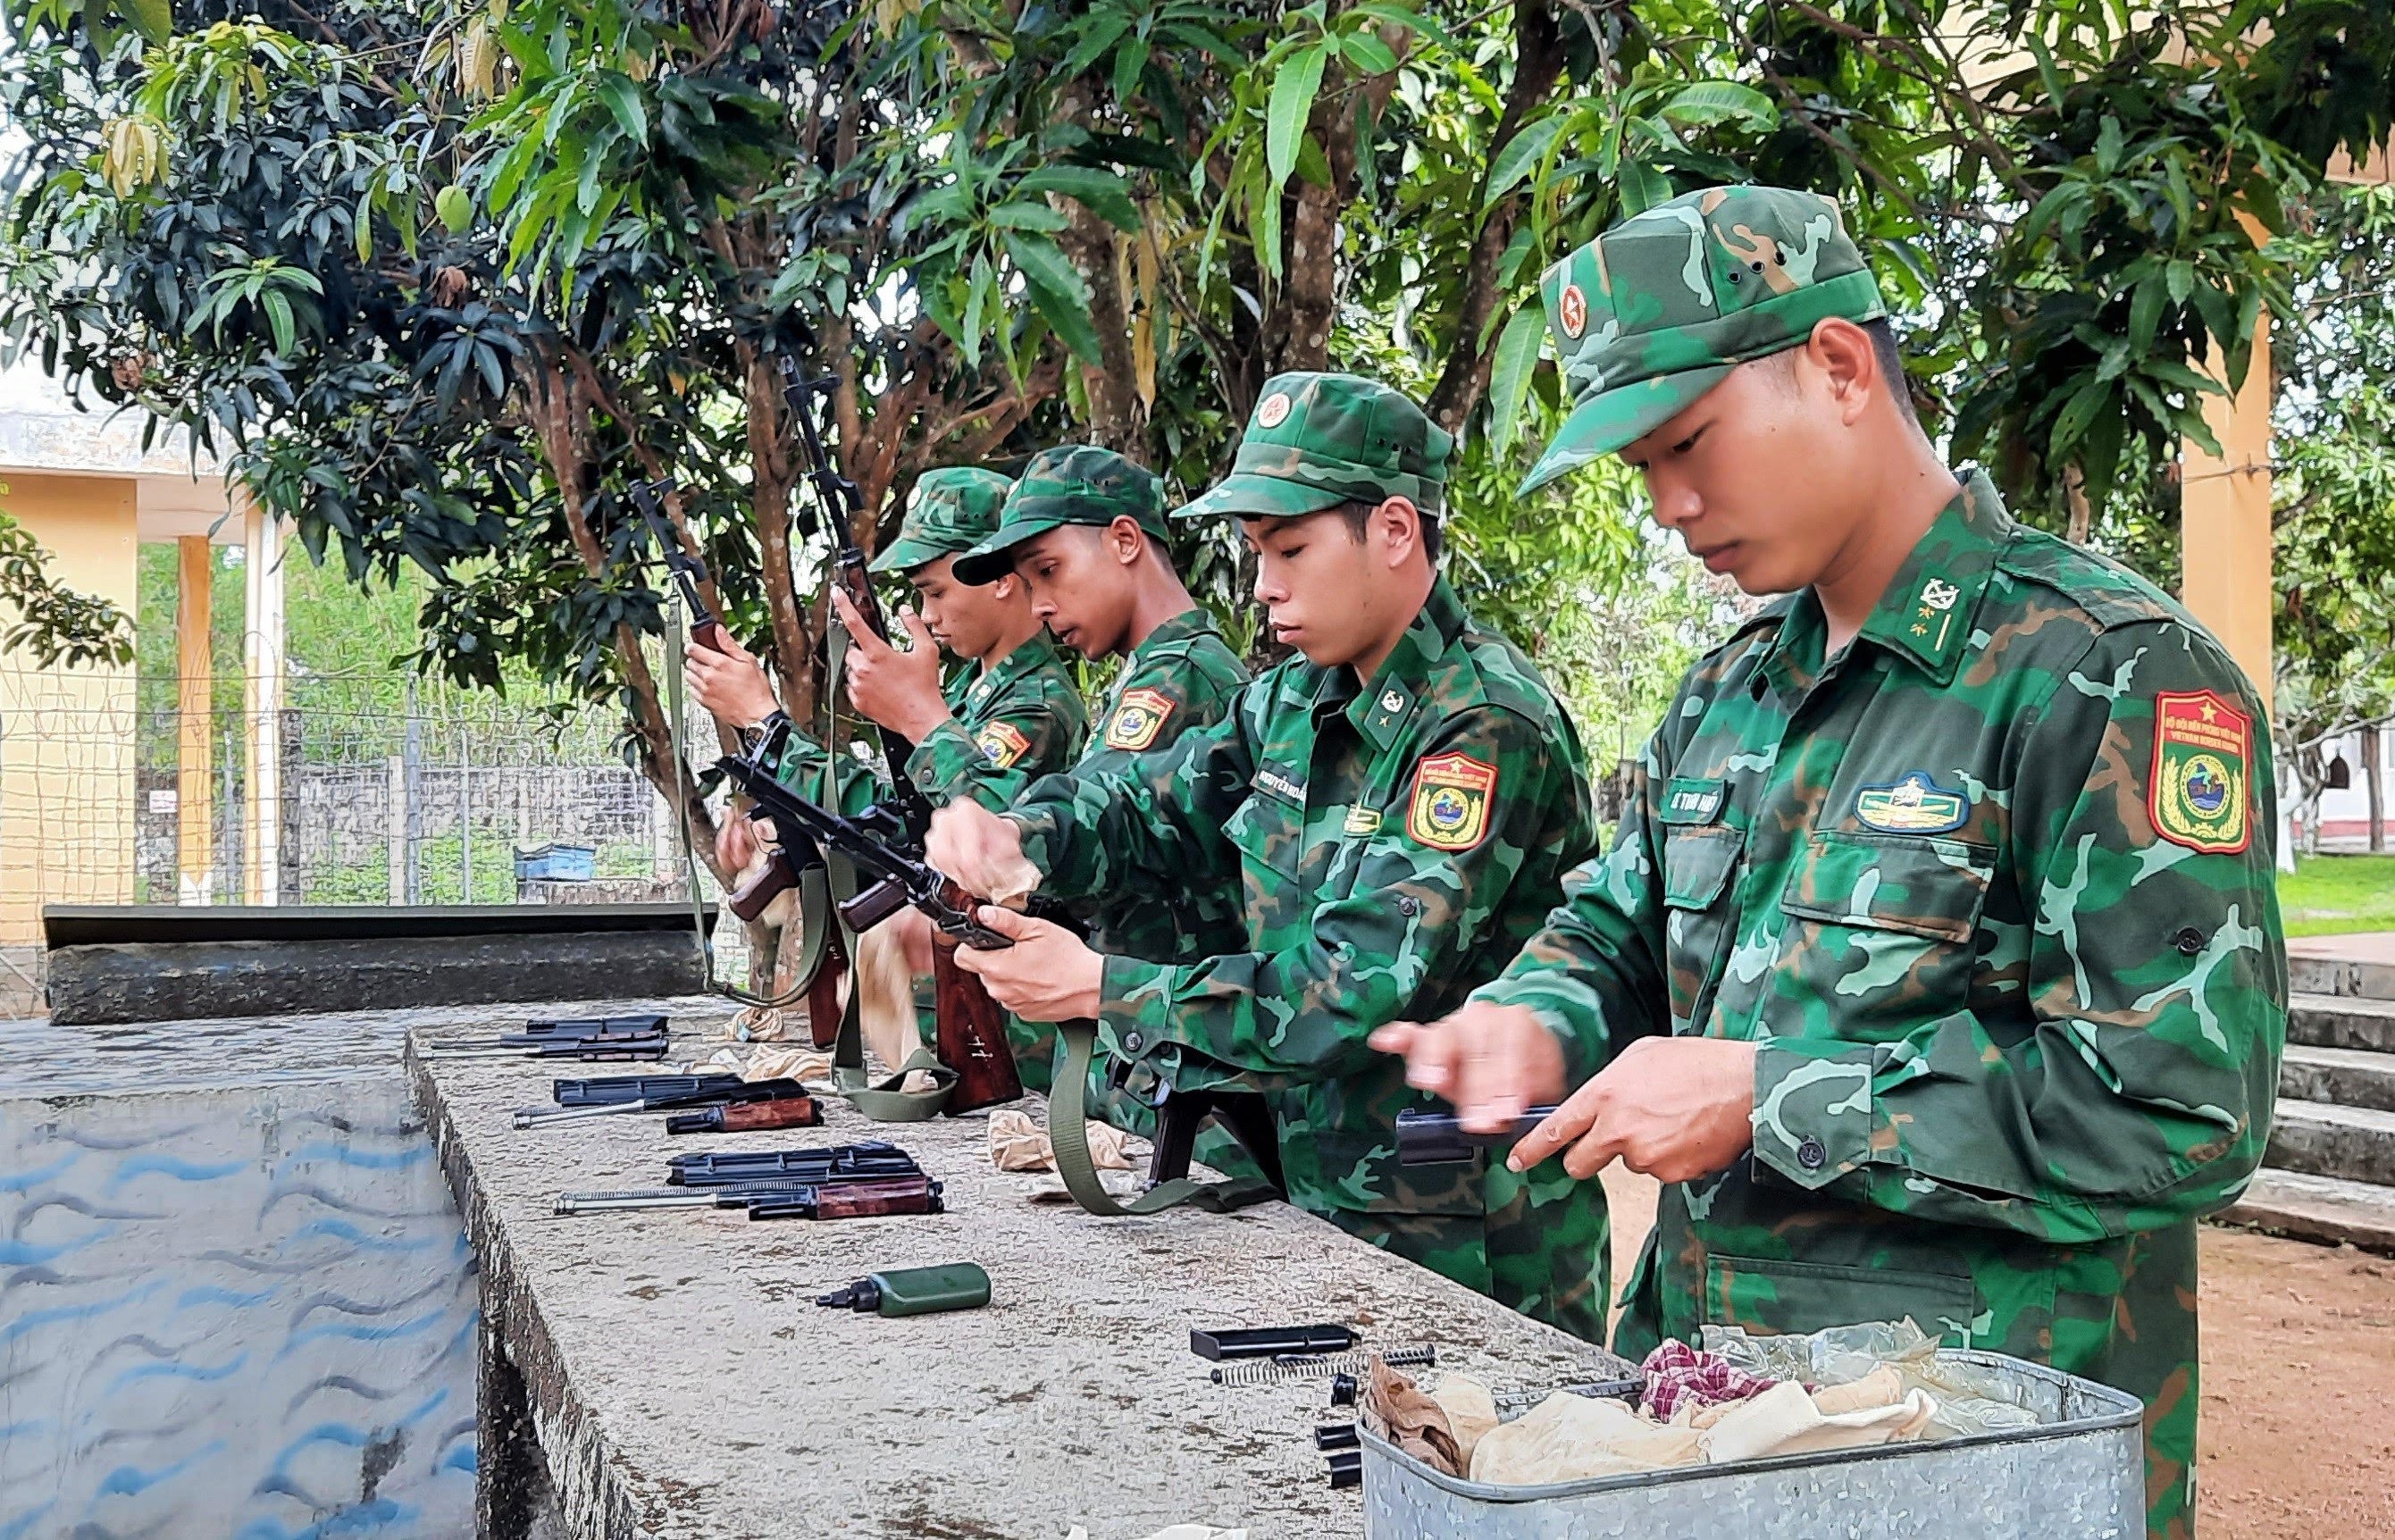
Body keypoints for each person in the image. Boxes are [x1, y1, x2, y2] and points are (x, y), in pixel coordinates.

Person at [1369, 184, 2287, 1539]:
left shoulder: (2106, 675)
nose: (1669, 504)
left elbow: (2180, 1113)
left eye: (1688, 441)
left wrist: (1771, 1097)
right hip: (1707, 1430)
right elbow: (1616, 930)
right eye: (1638, 471)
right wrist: (1529, 1017)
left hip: (1973, 1465)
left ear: (1841, 366)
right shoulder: (1726, 695)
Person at [926, 374, 1612, 1342]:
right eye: (1255, 553)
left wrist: (1100, 987)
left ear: (1394, 530)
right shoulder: (1289, 700)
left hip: (1471, 1245)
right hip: (1320, 1201)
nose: (1262, 584)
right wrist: (1016, 838)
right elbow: (1143, 800)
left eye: (1288, 548)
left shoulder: (1479, 725)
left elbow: (1345, 988)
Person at [942, 445, 1252, 1092]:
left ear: (1124, 540)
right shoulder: (1149, 671)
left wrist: (1013, 838)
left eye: (1049, 570)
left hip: (1177, 1065)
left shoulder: (1181, 675)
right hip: (1147, 1052)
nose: (1039, 605)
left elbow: (1111, 813)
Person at [683, 465, 1087, 857]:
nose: (927, 616)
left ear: (999, 579)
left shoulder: (1037, 706)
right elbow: (892, 809)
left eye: (937, 593)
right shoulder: (972, 686)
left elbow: (920, 835)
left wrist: (767, 722)